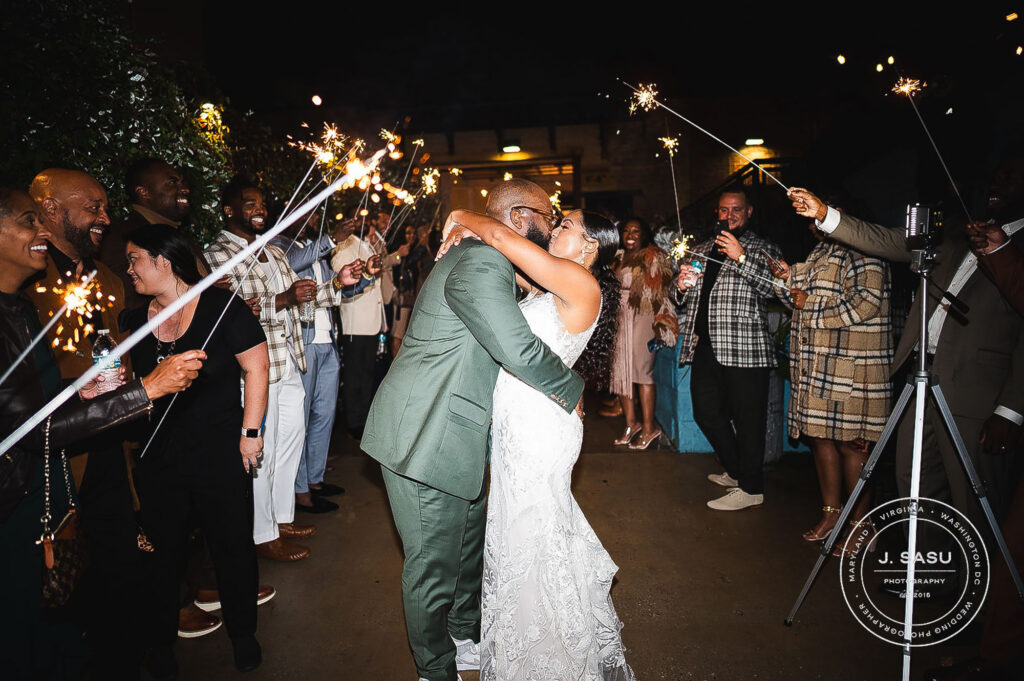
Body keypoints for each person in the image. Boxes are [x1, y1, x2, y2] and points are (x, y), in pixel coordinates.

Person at [360, 179, 584, 681]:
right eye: (550, 216)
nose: (552, 224)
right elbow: (518, 350)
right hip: (424, 434)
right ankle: (435, 670)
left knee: (465, 553)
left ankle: (465, 637)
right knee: (432, 570)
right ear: (523, 218)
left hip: (461, 432)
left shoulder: (488, 257)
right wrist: (574, 392)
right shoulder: (481, 261)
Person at [0, 187, 204, 681]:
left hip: (86, 455)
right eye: (31, 221)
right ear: (49, 208)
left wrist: (90, 390)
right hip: (29, 483)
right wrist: (145, 391)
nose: (104, 217)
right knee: (33, 614)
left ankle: (138, 651)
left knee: (109, 566)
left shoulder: (38, 302)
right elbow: (29, 425)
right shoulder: (30, 295)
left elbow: (41, 391)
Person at [439, 205, 634, 681]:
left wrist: (463, 213)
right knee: (523, 535)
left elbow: (507, 243)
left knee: (531, 539)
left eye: (565, 225)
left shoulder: (580, 282)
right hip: (521, 427)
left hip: (539, 432)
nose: (555, 229)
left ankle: (547, 659)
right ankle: (528, 646)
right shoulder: (558, 283)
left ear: (591, 245)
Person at [787, 186, 1024, 534]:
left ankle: (977, 583)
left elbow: (863, 304)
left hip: (978, 390)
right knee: (915, 482)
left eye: (1011, 174)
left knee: (974, 497)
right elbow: (889, 240)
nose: (998, 181)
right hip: (922, 374)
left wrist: (1011, 408)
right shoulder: (959, 233)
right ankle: (926, 578)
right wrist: (825, 214)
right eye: (997, 173)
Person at [120, 224, 270, 676]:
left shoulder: (223, 307)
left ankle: (243, 634)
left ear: (164, 260)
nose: (128, 269)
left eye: (134, 259)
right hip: (157, 456)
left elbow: (257, 366)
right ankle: (159, 642)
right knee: (161, 554)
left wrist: (250, 432)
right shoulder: (130, 320)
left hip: (219, 452)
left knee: (231, 547)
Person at [203, 177, 318, 561]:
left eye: (262, 203)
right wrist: (283, 299)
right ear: (229, 210)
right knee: (260, 451)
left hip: (289, 361)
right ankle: (262, 533)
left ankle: (282, 517)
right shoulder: (218, 255)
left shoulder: (273, 251)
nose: (260, 209)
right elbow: (232, 313)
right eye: (249, 203)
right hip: (254, 369)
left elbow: (302, 302)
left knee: (289, 445)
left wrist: (347, 281)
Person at [767, 212, 893, 552]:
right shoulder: (821, 253)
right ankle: (831, 514)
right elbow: (794, 298)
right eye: (812, 223)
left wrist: (811, 304)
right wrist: (783, 279)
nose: (814, 227)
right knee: (820, 438)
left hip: (853, 367)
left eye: (818, 220)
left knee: (853, 445)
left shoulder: (866, 253)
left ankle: (862, 526)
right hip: (817, 365)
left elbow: (866, 303)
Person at [674, 186, 785, 510]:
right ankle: (738, 471)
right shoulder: (702, 248)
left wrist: (743, 258)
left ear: (749, 212)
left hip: (746, 349)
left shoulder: (762, 248)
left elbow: (777, 289)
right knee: (706, 412)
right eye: (723, 210)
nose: (729, 215)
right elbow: (679, 296)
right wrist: (679, 286)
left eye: (736, 209)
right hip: (705, 347)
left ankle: (752, 489)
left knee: (749, 420)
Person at [271, 211, 377, 514]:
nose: (315, 215)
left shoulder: (316, 250)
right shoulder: (281, 247)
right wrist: (332, 240)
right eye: (309, 210)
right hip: (303, 344)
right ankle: (300, 489)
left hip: (326, 340)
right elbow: (294, 263)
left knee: (324, 415)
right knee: (301, 418)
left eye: (317, 212)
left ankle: (315, 479)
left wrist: (364, 274)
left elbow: (336, 289)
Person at [99, 158, 208, 309]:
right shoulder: (121, 238)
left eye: (182, 182)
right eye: (171, 183)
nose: (185, 189)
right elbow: (127, 301)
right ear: (144, 192)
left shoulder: (182, 237)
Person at [608, 217, 678, 449]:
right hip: (620, 316)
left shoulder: (652, 255)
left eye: (635, 231)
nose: (630, 234)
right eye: (626, 230)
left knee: (641, 371)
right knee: (621, 372)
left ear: (644, 234)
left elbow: (662, 287)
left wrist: (660, 322)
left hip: (642, 315)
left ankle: (649, 428)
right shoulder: (618, 257)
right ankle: (631, 424)